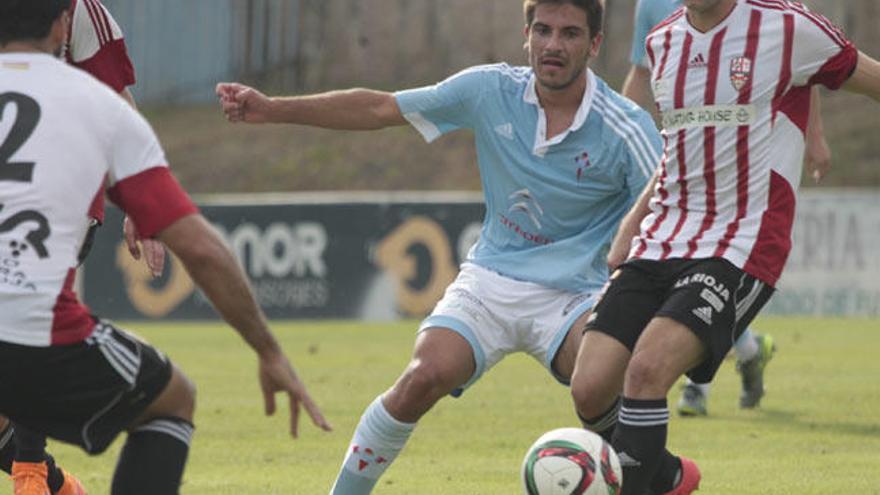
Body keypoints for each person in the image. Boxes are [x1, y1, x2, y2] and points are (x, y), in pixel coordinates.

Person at [217, 1, 665, 493]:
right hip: (492, 277)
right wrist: (274, 108)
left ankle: (655, 475)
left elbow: (669, 203)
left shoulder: (626, 127)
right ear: (526, 34)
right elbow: (379, 108)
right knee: (422, 377)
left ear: (594, 45)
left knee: (595, 384)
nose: (553, 45)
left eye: (570, 34)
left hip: (578, 293)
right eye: (543, 30)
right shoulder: (490, 90)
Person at [0, 2, 332, 495]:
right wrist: (268, 350)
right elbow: (201, 250)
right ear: (61, 25)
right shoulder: (100, 106)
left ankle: (38, 471)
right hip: (35, 330)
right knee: (173, 399)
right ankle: (37, 472)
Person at [570, 0, 880, 493]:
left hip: (743, 241)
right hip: (663, 237)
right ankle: (666, 476)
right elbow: (679, 151)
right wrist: (632, 226)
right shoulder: (663, 41)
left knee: (648, 370)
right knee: (589, 387)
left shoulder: (787, 25)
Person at [0, 1, 166, 493]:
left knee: (31, 323)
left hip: (62, 196)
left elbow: (115, 102)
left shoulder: (83, 12)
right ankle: (53, 484)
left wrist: (141, 203)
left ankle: (31, 470)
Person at [623, 0, 815, 417]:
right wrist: (621, 135)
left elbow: (802, 73)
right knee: (677, 298)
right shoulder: (653, 9)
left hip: (737, 179)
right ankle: (749, 351)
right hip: (680, 165)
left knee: (696, 296)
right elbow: (641, 72)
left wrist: (813, 137)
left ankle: (695, 390)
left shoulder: (765, 16)